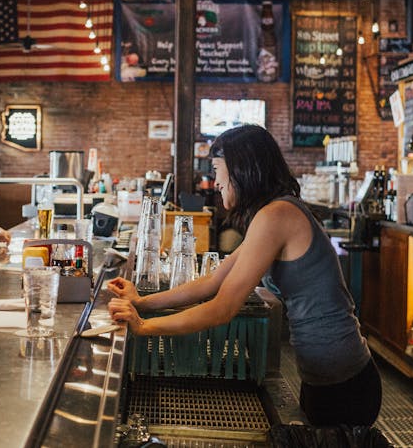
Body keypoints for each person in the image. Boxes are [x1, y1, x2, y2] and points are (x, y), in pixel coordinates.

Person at [107, 125, 382, 428]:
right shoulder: (272, 213)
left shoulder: (277, 216)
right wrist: (142, 302)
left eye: (217, 169)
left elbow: (223, 307)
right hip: (326, 376)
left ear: (242, 168)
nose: (215, 182)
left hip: (344, 382)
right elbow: (212, 282)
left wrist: (145, 327)